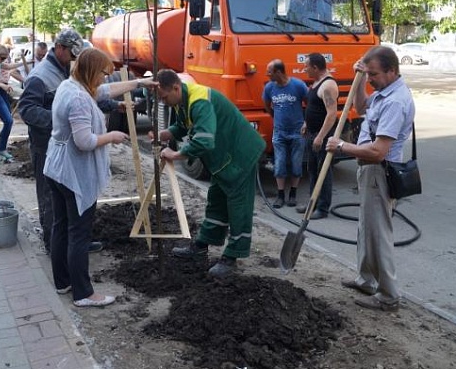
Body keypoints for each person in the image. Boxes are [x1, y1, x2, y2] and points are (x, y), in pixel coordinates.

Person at [44, 48, 155, 307]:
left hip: (57, 168)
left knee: (61, 226)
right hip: (73, 172)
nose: (106, 79)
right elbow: (85, 142)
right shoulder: (80, 99)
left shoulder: (70, 86)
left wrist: (140, 82)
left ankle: (63, 282)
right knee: (79, 233)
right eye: (104, 74)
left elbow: (105, 92)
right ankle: (83, 293)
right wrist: (112, 137)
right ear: (92, 71)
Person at [326, 45, 415, 312]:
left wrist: (341, 146)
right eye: (370, 73)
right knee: (366, 229)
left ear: (392, 71)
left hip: (380, 172)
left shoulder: (395, 102)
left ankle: (389, 295)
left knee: (378, 235)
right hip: (370, 171)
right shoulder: (383, 92)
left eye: (374, 74)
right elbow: (361, 105)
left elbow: (378, 151)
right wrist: (362, 78)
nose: (372, 78)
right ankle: (366, 280)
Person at [156, 69, 266, 278]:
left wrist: (177, 153)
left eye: (164, 97)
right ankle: (201, 246)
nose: (164, 102)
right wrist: (166, 133)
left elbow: (205, 140)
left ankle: (232, 257)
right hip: (225, 160)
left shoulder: (199, 101)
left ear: (176, 88)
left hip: (240, 155)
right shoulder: (182, 99)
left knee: (238, 206)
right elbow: (182, 125)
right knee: (216, 200)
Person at [18, 29, 97, 255]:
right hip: (46, 146)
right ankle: (54, 246)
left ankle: (76, 241)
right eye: (72, 55)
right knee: (50, 197)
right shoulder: (40, 76)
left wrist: (111, 105)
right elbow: (27, 110)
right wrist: (61, 120)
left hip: (67, 146)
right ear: (59, 48)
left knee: (73, 193)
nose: (74, 60)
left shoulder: (66, 69)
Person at [295, 53, 338, 220]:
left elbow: (331, 114)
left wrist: (321, 137)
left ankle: (322, 208)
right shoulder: (317, 83)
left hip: (322, 137)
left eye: (306, 66)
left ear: (315, 67)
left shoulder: (328, 86)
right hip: (312, 134)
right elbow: (315, 106)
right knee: (312, 170)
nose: (304, 69)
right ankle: (312, 203)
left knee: (323, 172)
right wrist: (307, 123)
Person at [263, 59, 308, 208]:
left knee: (296, 164)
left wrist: (306, 121)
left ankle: (293, 194)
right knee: (280, 164)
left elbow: (309, 103)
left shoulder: (298, 85)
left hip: (297, 131)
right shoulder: (269, 88)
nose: (267, 74)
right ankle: (280, 195)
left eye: (269, 72)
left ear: (279, 72)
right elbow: (267, 105)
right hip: (279, 132)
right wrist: (275, 117)